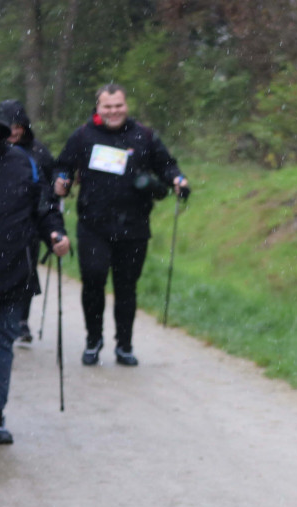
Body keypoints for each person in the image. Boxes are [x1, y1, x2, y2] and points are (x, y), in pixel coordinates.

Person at [53, 83, 189, 367]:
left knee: (126, 286)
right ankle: (93, 340)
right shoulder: (83, 135)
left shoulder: (144, 136)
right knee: (94, 279)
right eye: (108, 106)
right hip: (93, 225)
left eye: (118, 106)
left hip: (134, 225)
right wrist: (61, 180)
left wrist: (177, 179)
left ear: (126, 106)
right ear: (98, 108)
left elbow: (166, 165)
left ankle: (124, 345)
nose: (113, 111)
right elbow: (62, 165)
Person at [0, 110, 71, 443]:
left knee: (2, 345)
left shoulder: (23, 164)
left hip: (12, 271)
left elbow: (44, 208)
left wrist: (56, 234)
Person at [0, 100, 55, 345]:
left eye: (18, 126)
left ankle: (20, 319)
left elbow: (49, 182)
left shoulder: (38, 152)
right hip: (8, 223)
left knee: (25, 272)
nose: (14, 131)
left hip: (28, 226)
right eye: (10, 126)